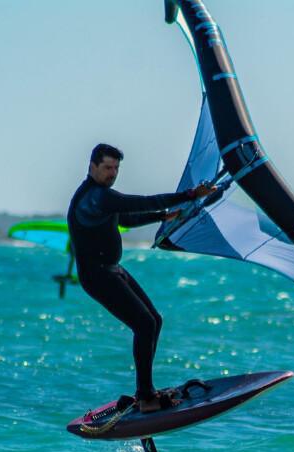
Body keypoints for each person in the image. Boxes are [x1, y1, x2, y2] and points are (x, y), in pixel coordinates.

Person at [67, 143, 215, 413]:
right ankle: (146, 396)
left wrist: (161, 216)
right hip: (97, 276)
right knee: (144, 324)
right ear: (92, 167)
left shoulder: (103, 199)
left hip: (112, 269)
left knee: (154, 320)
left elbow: (125, 217)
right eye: (107, 168)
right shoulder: (94, 197)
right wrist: (190, 194)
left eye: (116, 169)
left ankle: (146, 390)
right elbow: (138, 202)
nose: (112, 173)